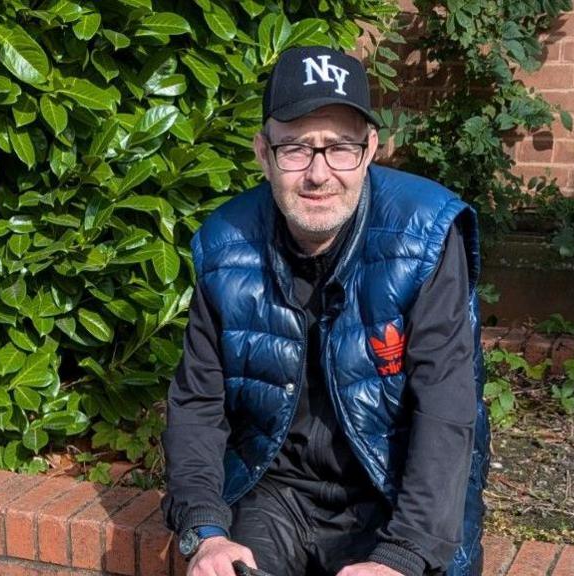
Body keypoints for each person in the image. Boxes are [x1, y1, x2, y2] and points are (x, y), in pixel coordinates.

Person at [161, 45, 490, 576]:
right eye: (295, 148)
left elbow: (447, 407)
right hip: (276, 491)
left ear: (372, 149)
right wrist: (205, 531)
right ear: (263, 153)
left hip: (391, 489)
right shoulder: (224, 245)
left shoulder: (424, 233)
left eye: (340, 147)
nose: (319, 174)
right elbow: (198, 402)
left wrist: (402, 556)